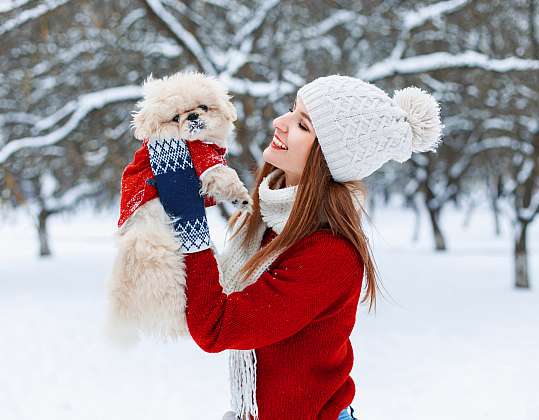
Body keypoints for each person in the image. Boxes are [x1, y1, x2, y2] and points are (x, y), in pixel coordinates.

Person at [159, 74, 443, 420]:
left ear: (328, 157)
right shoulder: (271, 219)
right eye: (291, 111)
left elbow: (217, 326)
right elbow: (209, 296)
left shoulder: (328, 254)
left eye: (302, 125)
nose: (280, 123)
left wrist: (187, 218)